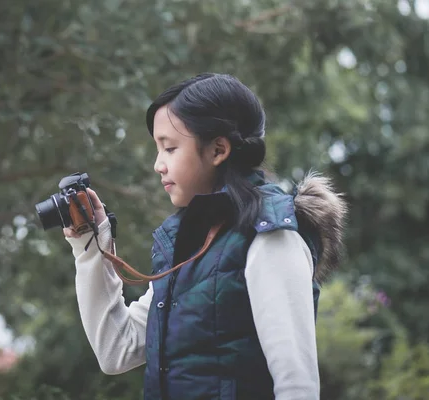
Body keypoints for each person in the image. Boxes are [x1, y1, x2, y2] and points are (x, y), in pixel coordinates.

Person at [63, 73, 347, 400]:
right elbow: (117, 350)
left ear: (218, 150)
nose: (158, 165)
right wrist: (90, 244)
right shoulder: (189, 246)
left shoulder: (271, 236)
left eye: (169, 148)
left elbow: (297, 388)